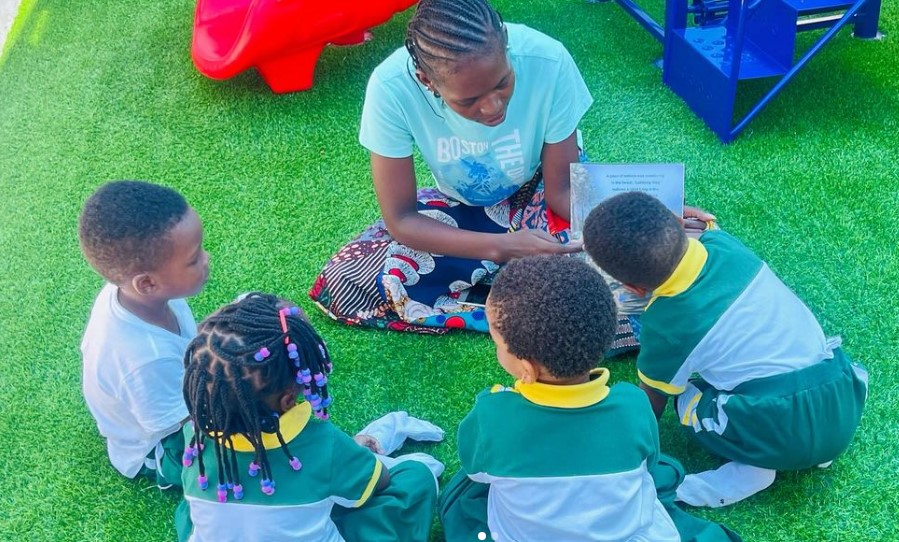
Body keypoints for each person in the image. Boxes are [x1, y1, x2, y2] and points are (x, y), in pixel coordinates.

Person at [310, 0, 670, 354]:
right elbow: (402, 218)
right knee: (350, 279)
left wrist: (651, 217)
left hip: (541, 192)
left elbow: (561, 192)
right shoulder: (390, 89)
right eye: (468, 101)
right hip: (464, 209)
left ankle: (516, 298)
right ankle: (530, 297)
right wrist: (503, 248)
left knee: (650, 265)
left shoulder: (549, 60)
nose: (493, 106)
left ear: (508, 51)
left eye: (503, 83)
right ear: (426, 81)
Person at [582, 192, 869, 507]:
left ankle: (752, 468)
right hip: (841, 397)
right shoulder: (726, 245)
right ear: (681, 221)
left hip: (778, 427)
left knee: (685, 398)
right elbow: (708, 226)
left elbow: (651, 402)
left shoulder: (667, 323)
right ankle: (801, 451)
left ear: (633, 289)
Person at [438, 256, 741, 542]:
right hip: (625, 532)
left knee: (463, 493)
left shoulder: (493, 414)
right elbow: (648, 463)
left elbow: (476, 470)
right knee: (665, 469)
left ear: (526, 368)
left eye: (497, 341)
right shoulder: (634, 405)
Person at [175, 293, 438, 542]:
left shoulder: (193, 437)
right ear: (288, 398)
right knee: (416, 477)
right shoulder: (324, 443)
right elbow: (380, 482)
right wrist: (353, 451)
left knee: (189, 512)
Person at [79, 180, 209, 487]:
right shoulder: (144, 359)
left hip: (176, 386)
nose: (206, 259)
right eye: (194, 259)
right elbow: (188, 423)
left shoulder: (138, 294)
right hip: (159, 445)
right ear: (147, 283)